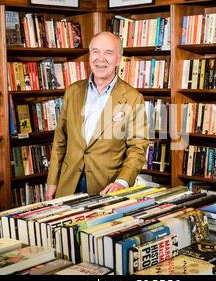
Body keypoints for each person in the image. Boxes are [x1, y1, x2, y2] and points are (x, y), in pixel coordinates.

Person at [45, 31, 149, 200]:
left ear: (118, 58)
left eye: (108, 53)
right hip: (68, 183)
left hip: (106, 187)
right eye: (95, 52)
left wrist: (122, 182)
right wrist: (52, 182)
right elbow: (60, 140)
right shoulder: (73, 91)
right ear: (89, 55)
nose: (100, 59)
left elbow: (137, 149)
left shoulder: (132, 97)